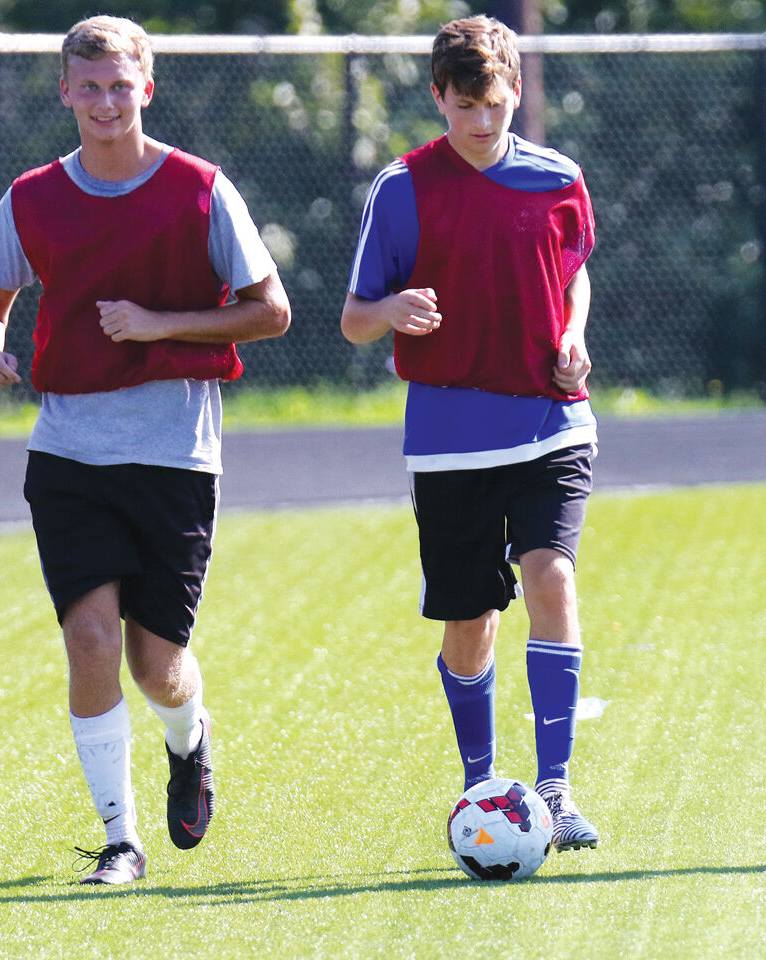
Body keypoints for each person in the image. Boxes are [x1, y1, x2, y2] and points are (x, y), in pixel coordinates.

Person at [0, 16, 290, 885]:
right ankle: (120, 839)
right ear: (65, 92)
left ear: (147, 88)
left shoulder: (200, 189)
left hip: (177, 453)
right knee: (91, 638)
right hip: (68, 451)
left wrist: (160, 325)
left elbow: (271, 310)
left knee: (158, 663)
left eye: (121, 86)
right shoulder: (30, 198)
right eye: (89, 86)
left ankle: (191, 740)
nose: (106, 102)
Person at [340, 14, 599, 853]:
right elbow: (352, 321)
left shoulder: (559, 177)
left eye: (496, 104)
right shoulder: (402, 189)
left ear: (516, 92)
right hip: (451, 439)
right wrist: (392, 309)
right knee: (472, 615)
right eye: (465, 106)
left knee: (552, 576)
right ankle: (482, 786)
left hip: (551, 423)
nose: (484, 123)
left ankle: (555, 791)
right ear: (438, 99)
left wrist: (574, 334)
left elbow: (574, 274)